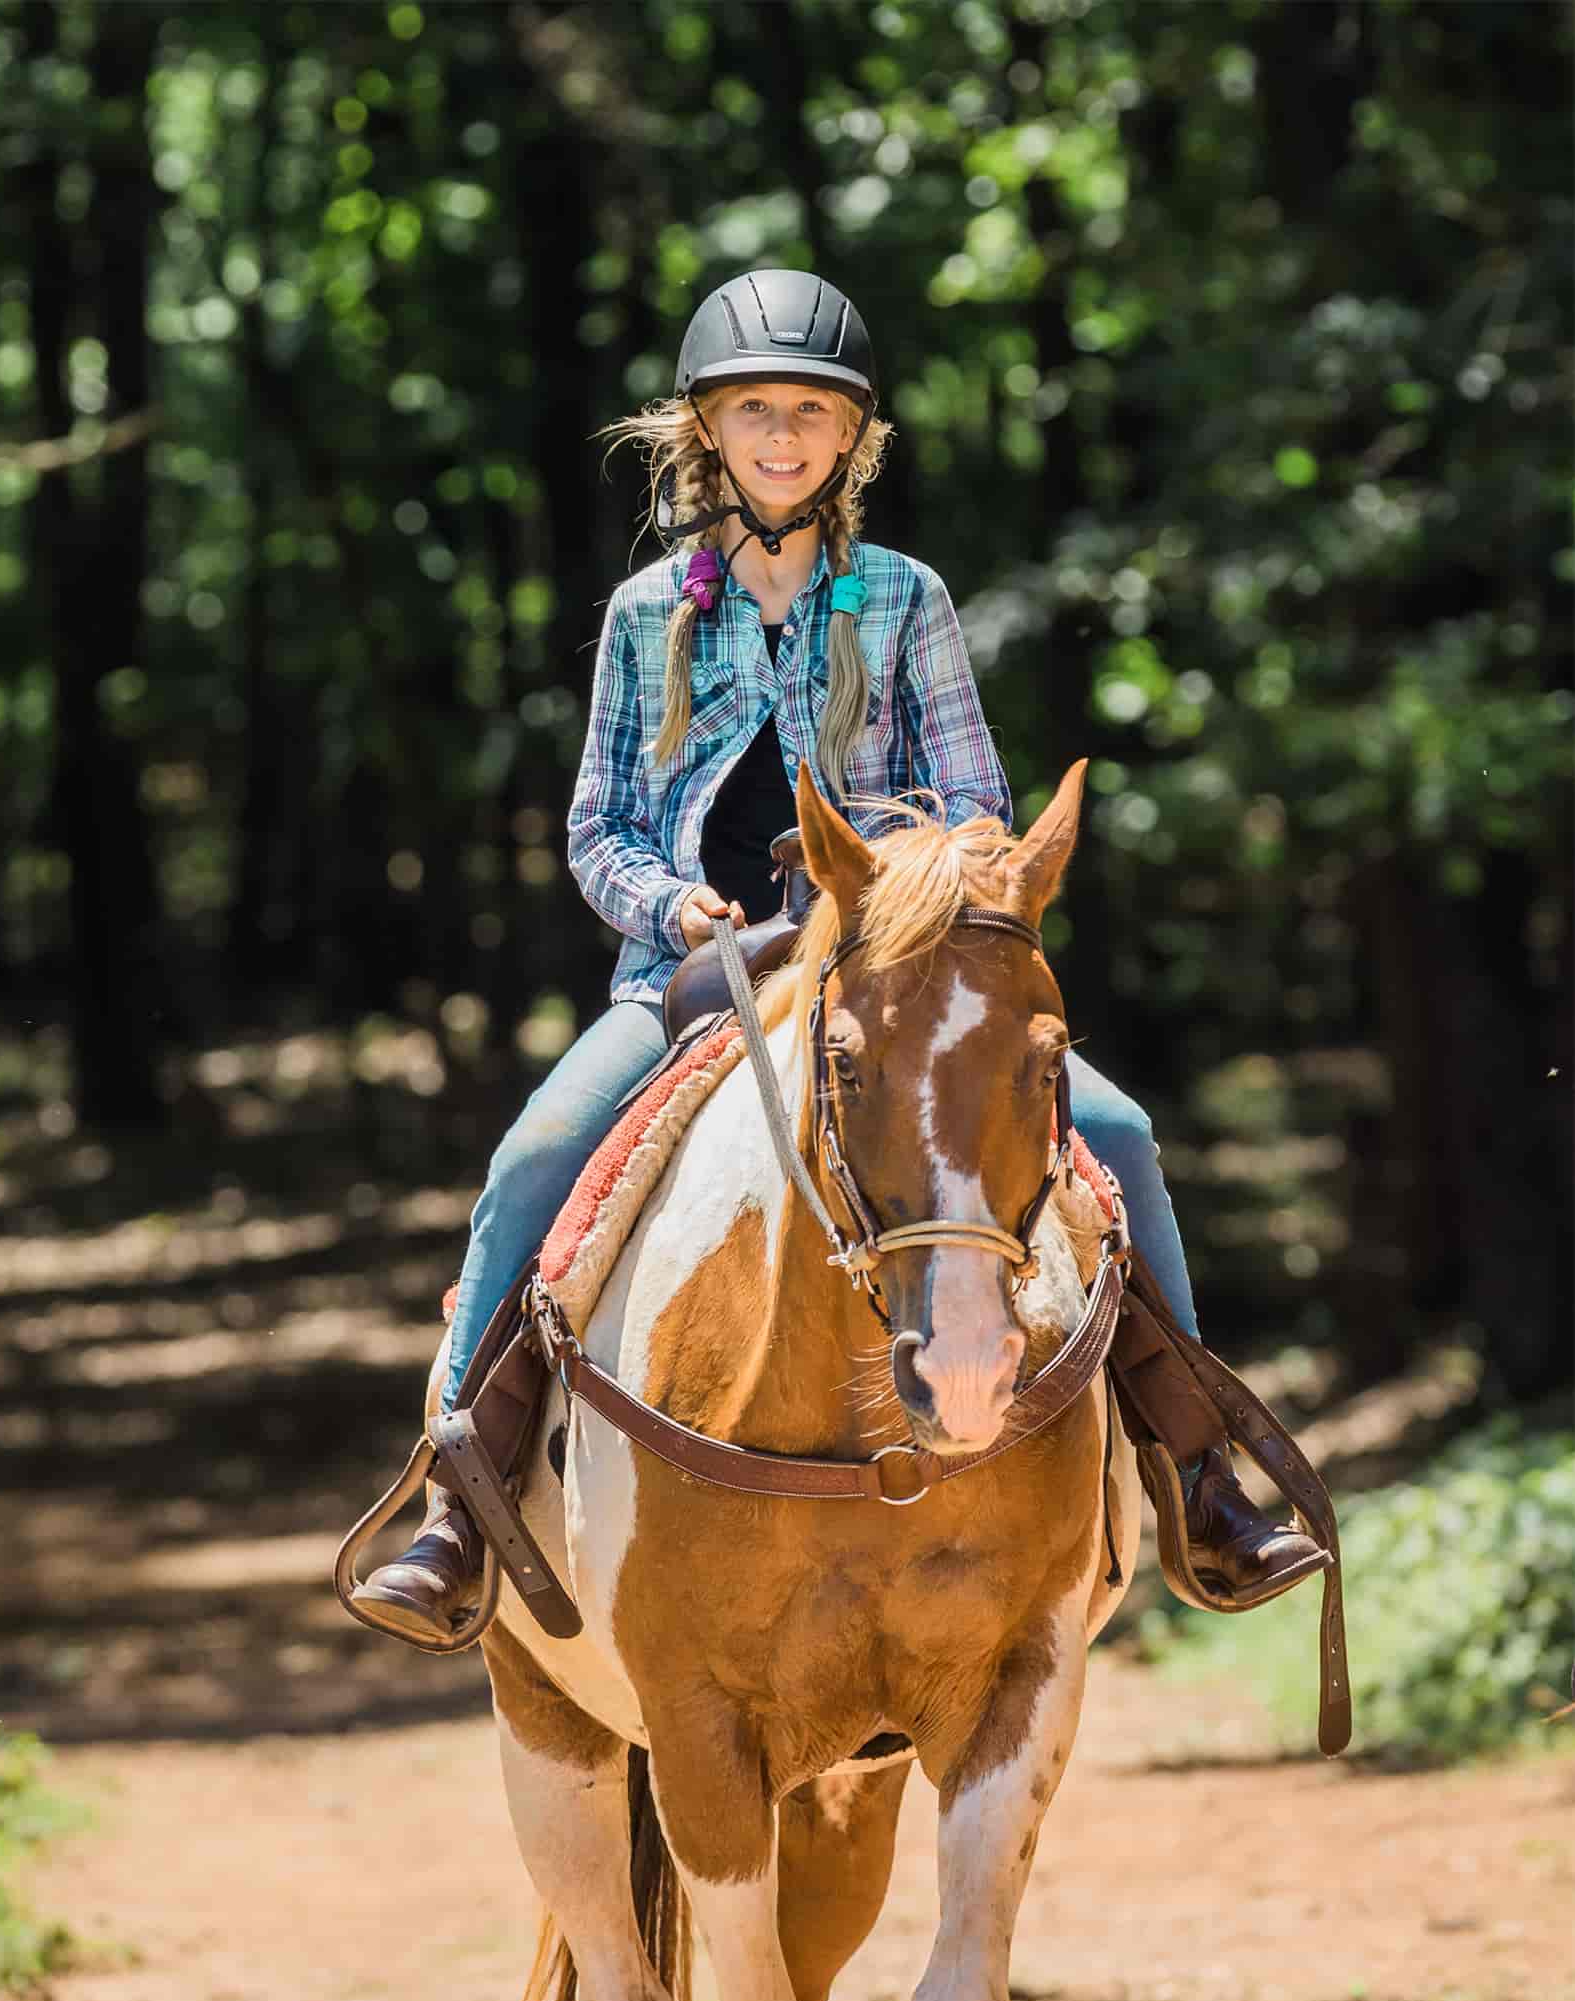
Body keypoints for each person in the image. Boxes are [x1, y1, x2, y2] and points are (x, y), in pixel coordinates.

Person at [355, 268, 1324, 1646]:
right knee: (535, 1155)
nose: (785, 436)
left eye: (812, 413)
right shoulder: (648, 615)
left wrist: (909, 894)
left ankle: (1200, 1470)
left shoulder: (904, 600)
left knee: (1120, 1130)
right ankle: (459, 1496)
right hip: (697, 978)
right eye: (757, 411)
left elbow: (980, 802)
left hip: (886, 971)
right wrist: (671, 900)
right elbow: (597, 824)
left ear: (851, 439)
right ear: (709, 434)